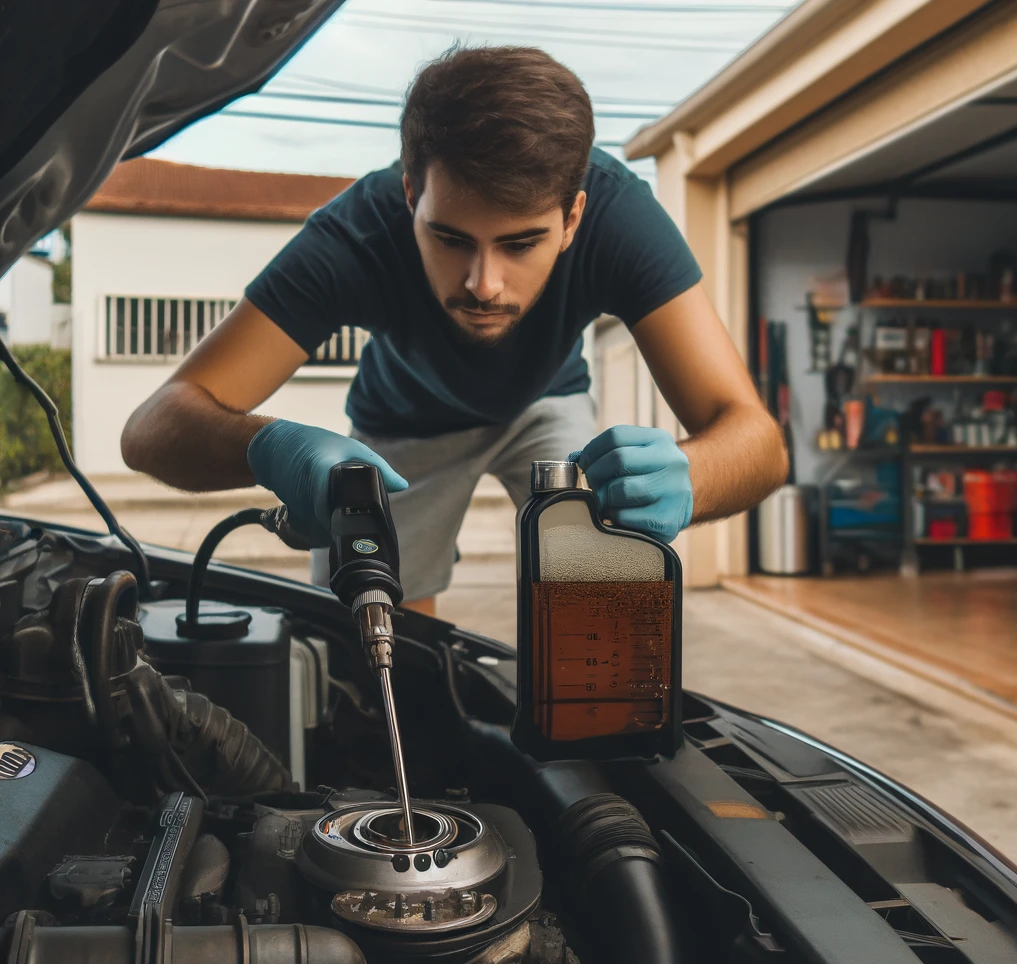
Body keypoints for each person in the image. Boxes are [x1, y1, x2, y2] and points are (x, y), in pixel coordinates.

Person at [122, 46, 788, 614]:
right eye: (449, 238)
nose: (483, 284)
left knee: (604, 599)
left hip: (547, 403)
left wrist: (693, 475)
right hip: (403, 424)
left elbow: (757, 440)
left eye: (522, 243)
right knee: (373, 634)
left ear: (574, 218)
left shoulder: (620, 217)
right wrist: (270, 448)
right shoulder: (353, 237)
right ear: (411, 194)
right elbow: (151, 428)